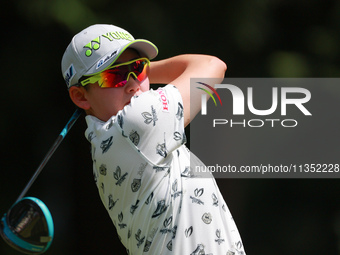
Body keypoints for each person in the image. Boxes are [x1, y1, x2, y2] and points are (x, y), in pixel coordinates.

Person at [61, 24, 246, 255]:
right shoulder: (137, 122)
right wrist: (145, 70)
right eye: (114, 75)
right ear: (80, 96)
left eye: (138, 69)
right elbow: (213, 66)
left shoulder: (105, 140)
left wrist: (135, 70)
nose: (133, 84)